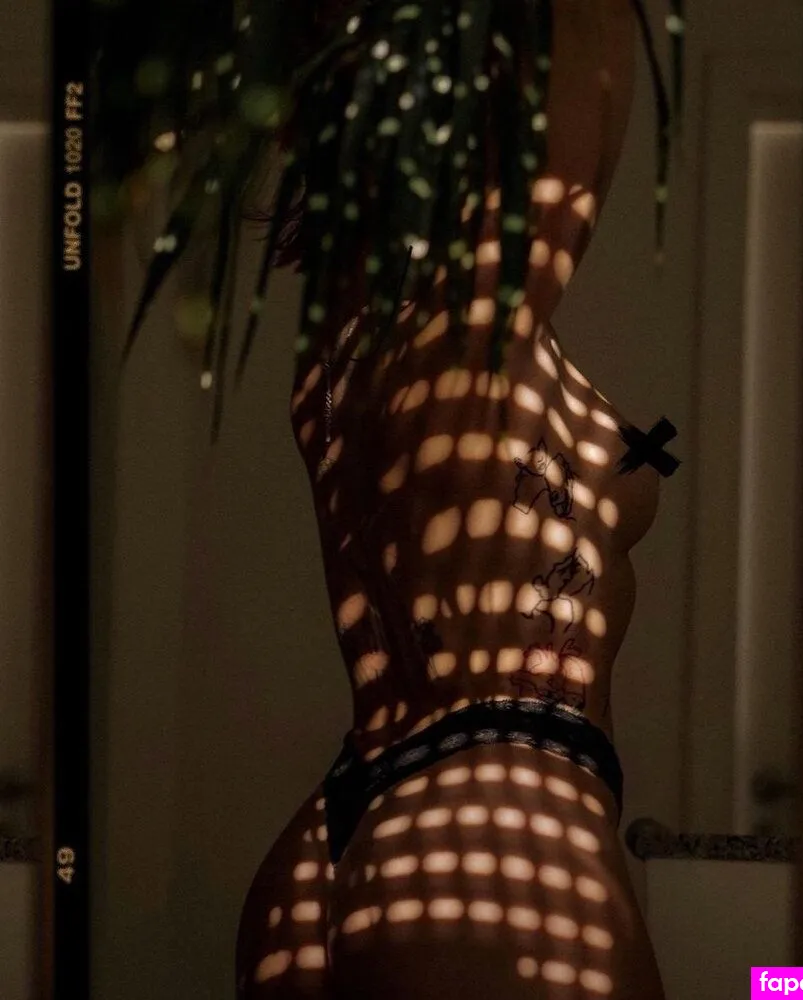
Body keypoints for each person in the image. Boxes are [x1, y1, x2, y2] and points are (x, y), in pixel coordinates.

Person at [233, 0, 668, 996]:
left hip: (335, 837)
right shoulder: (473, 318)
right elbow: (591, 41)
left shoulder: (348, 334)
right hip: (492, 819)